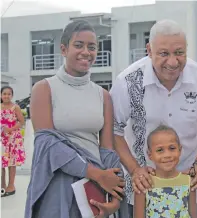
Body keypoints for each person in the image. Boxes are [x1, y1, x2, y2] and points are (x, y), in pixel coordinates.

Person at [110, 19, 197, 216]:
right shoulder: (127, 82)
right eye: (163, 54)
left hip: (186, 190)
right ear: (149, 50)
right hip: (139, 190)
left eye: (179, 53)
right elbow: (113, 131)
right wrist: (135, 170)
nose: (172, 62)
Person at [25, 20, 128, 218]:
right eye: (78, 45)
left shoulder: (103, 96)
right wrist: (96, 174)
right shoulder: (44, 89)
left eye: (92, 47)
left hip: (93, 190)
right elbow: (48, 144)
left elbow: (107, 150)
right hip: (56, 185)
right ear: (63, 49)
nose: (86, 52)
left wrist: (115, 195)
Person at [134, 124, 197, 218]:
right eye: (160, 150)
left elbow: (193, 215)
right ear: (150, 154)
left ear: (180, 150)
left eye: (172, 148)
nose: (167, 155)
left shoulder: (189, 181)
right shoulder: (144, 183)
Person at [1, 86, 26, 197]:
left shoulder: (15, 107)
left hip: (13, 139)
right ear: (1, 95)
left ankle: (11, 186)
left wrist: (10, 129)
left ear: (12, 95)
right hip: (2, 139)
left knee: (12, 163)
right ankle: (2, 185)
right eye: (4, 93)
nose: (6, 96)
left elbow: (21, 121)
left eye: (9, 94)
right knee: (1, 163)